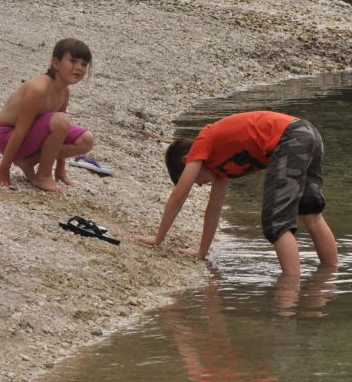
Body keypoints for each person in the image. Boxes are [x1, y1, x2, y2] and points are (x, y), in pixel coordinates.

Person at [135, 110, 338, 275]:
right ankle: (329, 279)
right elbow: (214, 209)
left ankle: (290, 291)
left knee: (276, 223)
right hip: (308, 134)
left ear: (187, 161)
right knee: (310, 212)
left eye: (194, 179)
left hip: (292, 138)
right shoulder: (221, 168)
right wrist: (202, 251)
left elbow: (178, 196)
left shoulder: (202, 142)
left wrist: (158, 238)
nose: (198, 185)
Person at [0, 39, 95, 192]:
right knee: (61, 120)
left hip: (30, 137)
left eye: (84, 64)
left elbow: (62, 134)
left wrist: (60, 170)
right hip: (8, 137)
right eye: (73, 61)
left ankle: (28, 162)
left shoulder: (64, 92)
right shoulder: (39, 88)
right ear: (56, 63)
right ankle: (43, 175)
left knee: (86, 140)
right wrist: (3, 168)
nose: (79, 68)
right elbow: (21, 129)